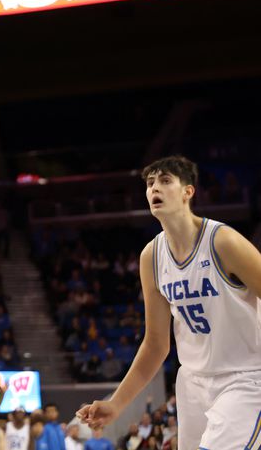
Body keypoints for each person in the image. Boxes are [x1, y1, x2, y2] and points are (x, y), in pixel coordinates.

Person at [77, 156, 261, 450]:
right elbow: (155, 344)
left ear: (188, 192)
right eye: (150, 184)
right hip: (192, 383)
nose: (154, 189)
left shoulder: (223, 241)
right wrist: (116, 404)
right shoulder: (151, 256)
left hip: (246, 378)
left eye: (164, 181)